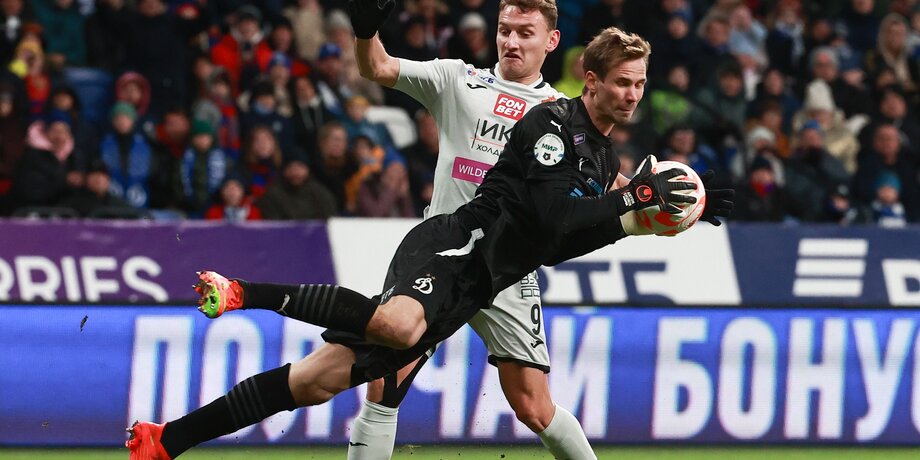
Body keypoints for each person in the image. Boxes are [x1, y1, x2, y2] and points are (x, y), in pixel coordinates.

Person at [125, 25, 734, 459]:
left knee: (317, 380)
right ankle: (241, 290)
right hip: (454, 244)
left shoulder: (602, 157)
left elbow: (561, 240)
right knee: (396, 335)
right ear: (592, 80)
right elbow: (554, 218)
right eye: (623, 83)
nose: (633, 95)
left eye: (640, 84)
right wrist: (635, 201)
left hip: (486, 280)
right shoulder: (550, 122)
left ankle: (166, 440)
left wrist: (653, 217)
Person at [347, 0, 588, 457]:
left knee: (533, 407)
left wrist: (659, 197)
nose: (511, 41)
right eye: (505, 29)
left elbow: (606, 180)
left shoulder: (565, 114)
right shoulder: (457, 79)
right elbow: (376, 66)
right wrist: (364, 32)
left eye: (525, 33)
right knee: (384, 382)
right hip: (440, 258)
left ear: (551, 41)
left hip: (506, 270)